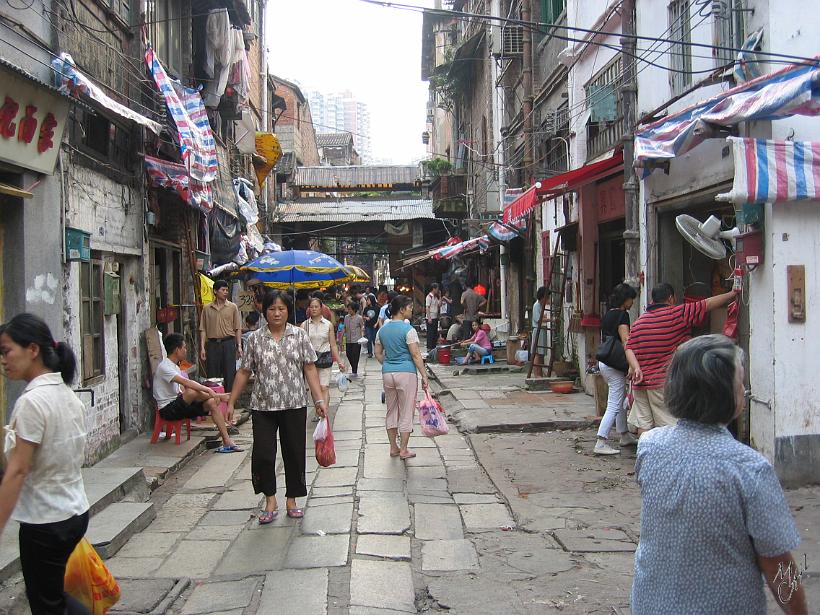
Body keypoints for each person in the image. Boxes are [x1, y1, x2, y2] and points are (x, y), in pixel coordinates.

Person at [632, 334, 808, 615]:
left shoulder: (650, 448)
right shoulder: (749, 469)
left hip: (652, 605)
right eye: (740, 382)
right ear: (726, 394)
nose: (745, 389)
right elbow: (777, 564)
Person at [0, 313, 91, 615]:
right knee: (52, 595)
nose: (4, 360)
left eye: (7, 350)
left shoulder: (33, 401)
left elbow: (18, 469)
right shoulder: (66, 395)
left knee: (46, 603)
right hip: (74, 511)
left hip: (46, 521)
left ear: (33, 350)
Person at [227, 290, 326, 523]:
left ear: (288, 311)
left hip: (294, 404)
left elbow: (310, 368)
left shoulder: (299, 336)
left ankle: (292, 498)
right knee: (263, 453)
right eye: (272, 309)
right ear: (265, 312)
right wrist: (231, 401)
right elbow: (244, 371)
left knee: (294, 451)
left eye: (281, 309)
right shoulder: (255, 339)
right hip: (263, 406)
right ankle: (270, 499)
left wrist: (319, 399)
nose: (277, 313)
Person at [625, 282, 738, 434]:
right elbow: (707, 304)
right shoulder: (678, 314)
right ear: (671, 298)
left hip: (640, 384)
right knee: (669, 425)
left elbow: (629, 347)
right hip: (661, 382)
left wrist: (636, 367)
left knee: (644, 425)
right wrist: (732, 294)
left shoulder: (639, 323)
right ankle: (669, 457)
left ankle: (645, 456)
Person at [154, 333, 240, 452]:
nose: (186, 350)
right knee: (191, 392)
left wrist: (208, 395)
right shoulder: (164, 367)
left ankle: (227, 441)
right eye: (184, 347)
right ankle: (219, 396)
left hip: (179, 406)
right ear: (176, 350)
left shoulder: (175, 367)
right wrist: (210, 391)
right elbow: (187, 384)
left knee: (211, 403)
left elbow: (183, 389)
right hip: (167, 410)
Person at [374, 295, 430, 459]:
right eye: (410, 307)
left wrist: (389, 362)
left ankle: (393, 447)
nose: (411, 310)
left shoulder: (382, 329)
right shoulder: (409, 330)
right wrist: (424, 376)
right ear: (402, 309)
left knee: (391, 410)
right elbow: (416, 355)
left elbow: (377, 353)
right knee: (406, 411)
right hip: (406, 373)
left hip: (387, 373)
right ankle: (404, 449)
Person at [594, 283, 639, 455]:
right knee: (614, 403)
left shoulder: (608, 315)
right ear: (625, 299)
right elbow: (626, 340)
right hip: (615, 364)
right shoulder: (622, 316)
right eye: (631, 299)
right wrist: (632, 364)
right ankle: (601, 441)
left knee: (619, 400)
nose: (632, 303)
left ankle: (624, 434)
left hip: (606, 362)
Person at [301, 296, 344, 420]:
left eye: (316, 307)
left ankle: (323, 414)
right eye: (311, 307)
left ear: (321, 308)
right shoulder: (304, 326)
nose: (314, 309)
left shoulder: (328, 325)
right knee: (315, 388)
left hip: (325, 358)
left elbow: (333, 345)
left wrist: (340, 361)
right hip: (310, 361)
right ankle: (318, 409)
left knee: (324, 386)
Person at [199, 280, 242, 392]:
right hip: (212, 344)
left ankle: (230, 400)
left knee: (229, 373)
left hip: (228, 343)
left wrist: (239, 346)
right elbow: (203, 329)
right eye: (223, 290)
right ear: (215, 291)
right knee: (212, 374)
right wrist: (202, 347)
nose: (225, 292)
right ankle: (214, 400)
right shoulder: (207, 308)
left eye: (227, 290)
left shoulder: (232, 307)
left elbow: (237, 328)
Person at [343, 302, 365, 378]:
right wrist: (341, 337)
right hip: (348, 339)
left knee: (355, 355)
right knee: (348, 354)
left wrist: (362, 336)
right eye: (348, 309)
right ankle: (353, 367)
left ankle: (354, 371)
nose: (348, 310)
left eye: (350, 309)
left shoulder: (359, 318)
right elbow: (344, 327)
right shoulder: (346, 317)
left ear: (354, 310)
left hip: (357, 340)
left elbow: (362, 327)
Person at [531, 286, 549, 377]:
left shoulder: (540, 306)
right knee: (537, 353)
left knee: (540, 354)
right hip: (538, 330)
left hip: (541, 330)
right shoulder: (536, 305)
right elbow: (539, 319)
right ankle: (537, 374)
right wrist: (550, 320)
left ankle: (539, 373)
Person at [425, 283, 441, 352]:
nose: (438, 290)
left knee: (435, 333)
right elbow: (427, 308)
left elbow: (439, 305)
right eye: (437, 289)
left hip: (435, 317)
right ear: (433, 289)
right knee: (430, 334)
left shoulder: (435, 297)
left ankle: (433, 348)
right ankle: (429, 348)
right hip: (430, 317)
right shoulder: (429, 297)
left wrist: (440, 297)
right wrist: (429, 318)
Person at [363, 292, 379, 358]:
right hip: (368, 325)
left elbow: (379, 317)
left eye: (368, 300)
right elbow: (363, 315)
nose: (367, 301)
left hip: (375, 325)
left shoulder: (377, 308)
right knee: (369, 339)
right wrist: (366, 318)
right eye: (367, 300)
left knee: (374, 339)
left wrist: (376, 323)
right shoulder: (366, 308)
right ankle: (370, 353)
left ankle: (376, 352)